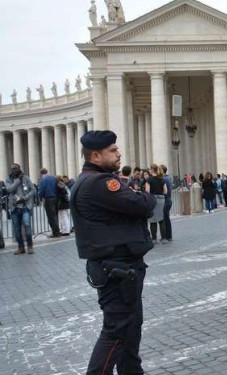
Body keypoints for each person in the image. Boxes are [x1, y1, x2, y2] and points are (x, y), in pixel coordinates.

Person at [70, 130, 156, 375]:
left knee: (130, 330)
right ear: (96, 156)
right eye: (112, 150)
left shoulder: (88, 180)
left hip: (118, 267)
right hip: (118, 269)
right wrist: (143, 195)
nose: (119, 153)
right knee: (117, 332)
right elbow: (142, 204)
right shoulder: (100, 183)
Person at [7, 163, 36, 254]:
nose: (14, 170)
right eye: (12, 168)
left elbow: (33, 190)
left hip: (25, 206)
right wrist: (18, 180)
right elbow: (10, 190)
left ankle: (30, 246)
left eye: (15, 168)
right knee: (17, 229)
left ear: (19, 169)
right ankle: (21, 247)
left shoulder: (26, 178)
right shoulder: (8, 180)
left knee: (27, 225)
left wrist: (25, 198)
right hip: (14, 207)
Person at [144, 164, 167, 243]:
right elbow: (165, 191)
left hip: (152, 199)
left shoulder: (149, 180)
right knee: (161, 219)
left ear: (151, 170)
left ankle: (154, 239)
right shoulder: (162, 179)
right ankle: (163, 238)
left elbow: (147, 191)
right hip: (161, 199)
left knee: (153, 219)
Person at [38, 168, 63, 238]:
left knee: (51, 217)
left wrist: (40, 197)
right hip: (56, 198)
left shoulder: (43, 180)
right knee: (55, 215)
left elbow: (41, 190)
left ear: (41, 173)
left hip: (48, 199)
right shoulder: (53, 178)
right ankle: (57, 231)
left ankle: (56, 232)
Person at [161, 165, 173, 241]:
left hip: (165, 200)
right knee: (166, 218)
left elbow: (165, 191)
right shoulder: (169, 178)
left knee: (165, 219)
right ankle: (169, 235)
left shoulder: (164, 179)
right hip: (168, 200)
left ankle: (166, 236)